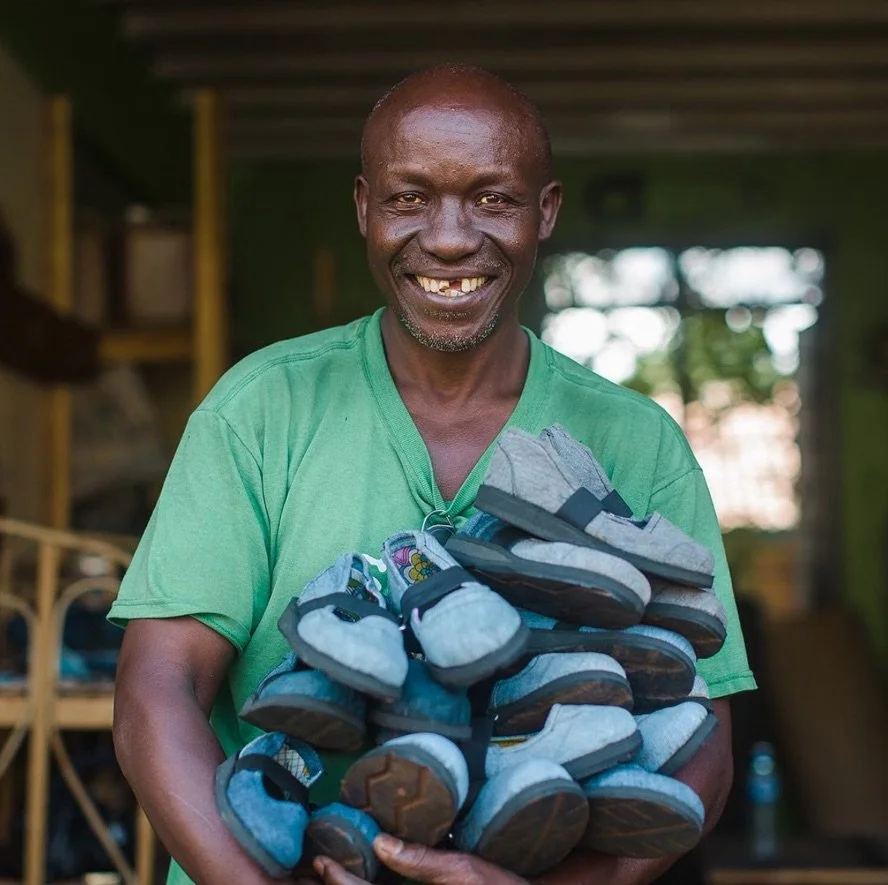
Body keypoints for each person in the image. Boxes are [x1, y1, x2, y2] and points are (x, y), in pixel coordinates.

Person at [110, 65, 756, 885]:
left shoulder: (635, 441)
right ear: (364, 208)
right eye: (409, 198)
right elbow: (156, 694)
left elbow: (701, 742)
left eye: (494, 198)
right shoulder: (262, 410)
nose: (449, 239)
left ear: (545, 210)